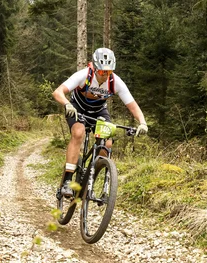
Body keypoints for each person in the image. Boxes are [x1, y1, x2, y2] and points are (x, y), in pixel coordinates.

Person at [52, 47, 147, 197]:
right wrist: (66, 104)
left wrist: (142, 122)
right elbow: (58, 92)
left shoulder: (116, 82)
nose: (105, 75)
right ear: (95, 68)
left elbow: (133, 106)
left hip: (98, 112)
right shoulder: (84, 75)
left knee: (107, 144)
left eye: (108, 72)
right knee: (78, 132)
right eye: (102, 71)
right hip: (77, 108)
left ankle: (90, 178)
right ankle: (68, 181)